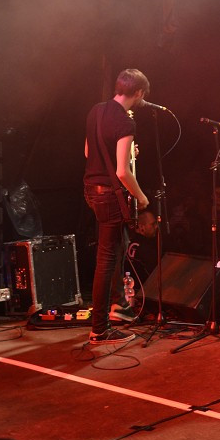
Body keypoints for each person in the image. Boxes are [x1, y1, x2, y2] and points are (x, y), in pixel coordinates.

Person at [83, 68, 151, 345]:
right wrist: (143, 198)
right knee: (106, 261)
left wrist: (120, 150)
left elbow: (89, 152)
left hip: (91, 190)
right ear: (138, 93)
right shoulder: (125, 122)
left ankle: (115, 310)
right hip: (110, 195)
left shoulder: (96, 111)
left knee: (109, 255)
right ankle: (99, 328)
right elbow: (123, 173)